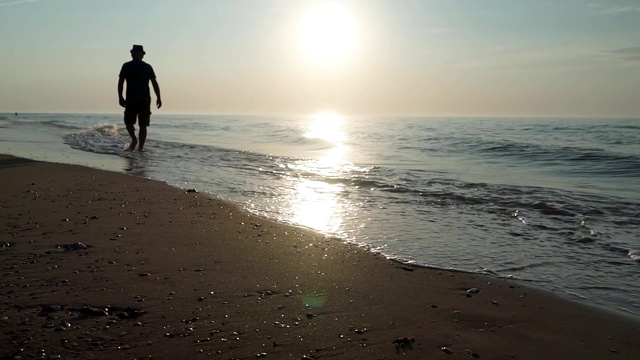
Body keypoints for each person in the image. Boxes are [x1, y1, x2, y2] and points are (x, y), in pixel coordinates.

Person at [118, 44, 162, 151]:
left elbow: (154, 83)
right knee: (128, 122)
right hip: (131, 98)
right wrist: (120, 97)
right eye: (134, 52)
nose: (135, 54)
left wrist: (159, 97)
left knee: (143, 124)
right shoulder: (126, 66)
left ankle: (140, 148)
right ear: (132, 54)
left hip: (144, 98)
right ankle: (134, 139)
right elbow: (121, 82)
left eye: (137, 53)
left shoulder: (147, 67)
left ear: (142, 54)